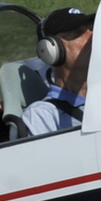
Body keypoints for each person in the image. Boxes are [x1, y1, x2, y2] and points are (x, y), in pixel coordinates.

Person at [21, 7, 95, 136]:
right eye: (78, 33)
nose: (92, 37)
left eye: (92, 29)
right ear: (51, 50)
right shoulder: (43, 115)